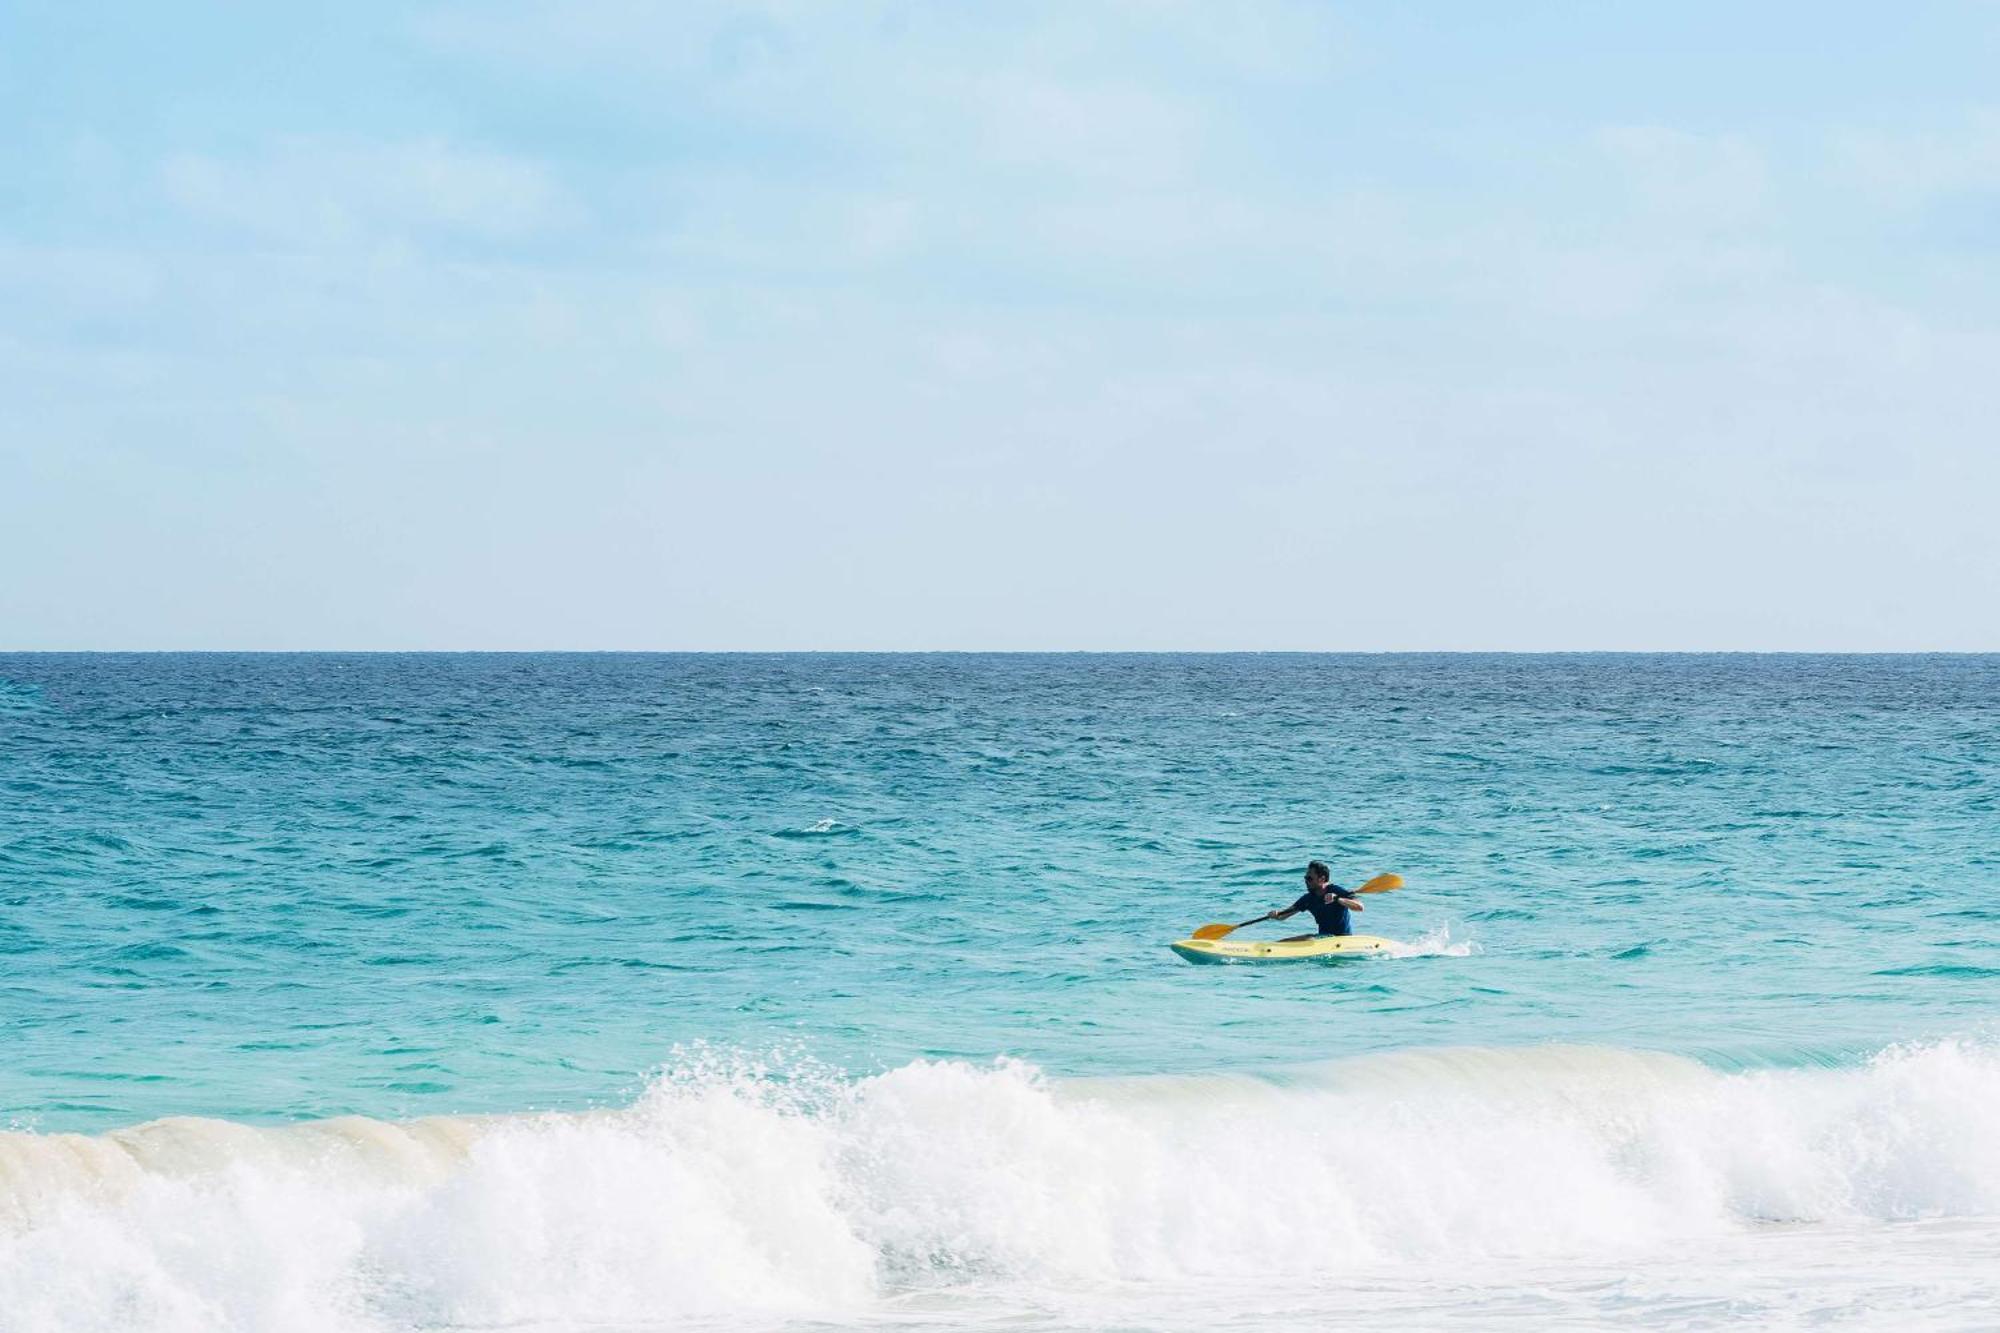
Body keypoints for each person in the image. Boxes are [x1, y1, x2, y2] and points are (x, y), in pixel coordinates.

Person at [1264, 861, 1363, 939]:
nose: (1306, 881)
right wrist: (1276, 915)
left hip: (1342, 938)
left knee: (1308, 939)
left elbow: (1360, 907)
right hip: (1324, 938)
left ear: (1322, 879)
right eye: (1305, 878)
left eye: (1309, 878)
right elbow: (1283, 916)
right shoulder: (1308, 898)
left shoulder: (1336, 891)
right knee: (1286, 941)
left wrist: (1338, 899)